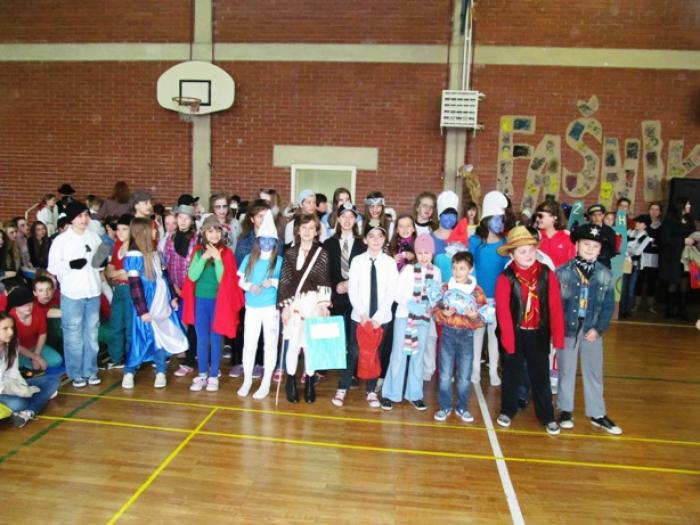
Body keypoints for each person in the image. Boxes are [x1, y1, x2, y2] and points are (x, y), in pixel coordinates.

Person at [494, 226, 565, 435]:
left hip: (538, 333)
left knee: (541, 376)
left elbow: (555, 307)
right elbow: (503, 312)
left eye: (531, 250)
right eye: (522, 251)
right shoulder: (505, 277)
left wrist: (557, 337)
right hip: (514, 333)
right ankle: (507, 410)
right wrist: (508, 340)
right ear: (512, 254)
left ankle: (547, 416)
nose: (528, 255)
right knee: (511, 374)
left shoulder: (547, 274)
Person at [556, 223, 622, 435]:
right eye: (586, 244)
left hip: (591, 328)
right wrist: (557, 329)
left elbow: (608, 306)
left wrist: (598, 328)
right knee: (566, 370)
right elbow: (556, 305)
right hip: (568, 328)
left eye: (595, 246)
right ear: (577, 245)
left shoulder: (605, 274)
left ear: (600, 250)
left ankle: (597, 413)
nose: (590, 249)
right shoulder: (562, 272)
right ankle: (565, 410)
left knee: (593, 371)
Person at [332, 223, 397, 408]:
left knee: (375, 353)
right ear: (365, 239)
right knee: (353, 352)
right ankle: (342, 387)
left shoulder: (390, 263)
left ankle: (371, 391)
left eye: (380, 236)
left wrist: (378, 317)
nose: (376, 240)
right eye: (371, 236)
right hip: (359, 317)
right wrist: (362, 313)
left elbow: (391, 292)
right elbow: (353, 289)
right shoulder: (358, 261)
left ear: (385, 240)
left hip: (381, 319)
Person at [121, 218, 189, 389]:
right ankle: (129, 371)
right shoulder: (135, 256)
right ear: (143, 232)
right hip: (147, 306)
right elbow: (135, 286)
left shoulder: (157, 254)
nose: (156, 231)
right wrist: (142, 310)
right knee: (140, 338)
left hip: (162, 304)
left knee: (160, 337)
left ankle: (160, 371)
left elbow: (165, 277)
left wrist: (172, 297)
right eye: (152, 229)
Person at [182, 216, 244, 392]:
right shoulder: (197, 252)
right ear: (203, 233)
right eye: (210, 231)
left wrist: (217, 259)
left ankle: (214, 375)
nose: (214, 234)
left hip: (218, 303)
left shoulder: (227, 253)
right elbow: (192, 276)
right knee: (202, 340)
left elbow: (223, 279)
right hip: (200, 302)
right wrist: (204, 258)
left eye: (217, 231)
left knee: (216, 340)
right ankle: (202, 374)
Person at [382, 234, 441, 412]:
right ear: (415, 253)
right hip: (404, 316)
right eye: (420, 253)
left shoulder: (436, 272)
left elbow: (436, 294)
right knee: (398, 355)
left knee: (418, 355)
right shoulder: (408, 270)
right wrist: (410, 304)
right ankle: (390, 394)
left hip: (423, 318)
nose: (423, 257)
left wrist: (432, 303)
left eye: (427, 253)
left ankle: (415, 394)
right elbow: (396, 293)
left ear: (432, 253)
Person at [47, 200, 103, 388]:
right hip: (72, 294)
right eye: (80, 216)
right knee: (73, 336)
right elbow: (52, 267)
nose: (84, 219)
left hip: (93, 292)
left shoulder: (94, 237)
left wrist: (101, 261)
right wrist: (70, 265)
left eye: (86, 215)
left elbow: (100, 261)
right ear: (71, 219)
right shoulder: (61, 240)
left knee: (92, 335)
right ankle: (76, 373)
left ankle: (90, 370)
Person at [278, 214, 331, 403]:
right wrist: (285, 306)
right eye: (303, 228)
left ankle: (309, 381)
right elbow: (285, 282)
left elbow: (324, 281)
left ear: (316, 231)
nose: (307, 232)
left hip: (314, 304)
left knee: (310, 347)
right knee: (293, 345)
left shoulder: (322, 253)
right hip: (295, 304)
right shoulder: (290, 254)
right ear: (298, 230)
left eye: (311, 228)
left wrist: (324, 305)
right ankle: (290, 381)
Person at [432, 251, 486, 422]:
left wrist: (474, 317)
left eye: (462, 268)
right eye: (454, 268)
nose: (457, 272)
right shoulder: (445, 288)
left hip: (466, 336)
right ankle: (445, 406)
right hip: (448, 334)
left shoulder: (477, 292)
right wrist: (444, 314)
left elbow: (483, 319)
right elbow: (435, 312)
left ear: (470, 269)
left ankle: (462, 407)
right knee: (445, 375)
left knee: (464, 376)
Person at [236, 210, 282, 399]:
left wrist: (273, 282)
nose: (267, 244)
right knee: (249, 343)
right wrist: (250, 286)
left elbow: (285, 282)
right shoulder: (249, 259)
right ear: (258, 241)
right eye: (263, 240)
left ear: (275, 242)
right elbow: (240, 280)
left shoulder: (279, 261)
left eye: (270, 240)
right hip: (252, 308)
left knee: (270, 344)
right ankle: (247, 379)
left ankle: (266, 382)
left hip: (270, 309)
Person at [469, 191, 509, 386]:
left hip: (497, 297)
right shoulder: (475, 241)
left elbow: (507, 270)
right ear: (486, 219)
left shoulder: (505, 243)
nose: (500, 223)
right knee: (477, 333)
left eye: (502, 219)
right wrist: (475, 294)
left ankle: (493, 369)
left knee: (494, 334)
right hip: (479, 297)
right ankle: (475, 368)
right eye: (496, 218)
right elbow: (470, 267)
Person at [323, 201, 366, 382]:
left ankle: (351, 371)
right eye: (344, 217)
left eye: (351, 217)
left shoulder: (362, 244)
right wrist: (334, 288)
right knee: (333, 333)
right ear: (338, 219)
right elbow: (324, 272)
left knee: (353, 335)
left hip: (356, 297)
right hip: (335, 296)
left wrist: (350, 283)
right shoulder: (328, 244)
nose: (347, 220)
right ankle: (327, 366)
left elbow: (365, 271)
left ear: (355, 220)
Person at [0, 312, 60, 428]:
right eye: (5, 329)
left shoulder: (12, 344)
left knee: (53, 381)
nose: (11, 332)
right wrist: (15, 391)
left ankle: (28, 412)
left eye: (12, 328)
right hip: (2, 390)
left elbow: (13, 372)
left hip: (11, 383)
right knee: (19, 403)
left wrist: (22, 387)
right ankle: (34, 404)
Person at [162, 204, 198, 377]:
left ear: (192, 221)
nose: (183, 221)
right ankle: (186, 353)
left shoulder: (197, 239)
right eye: (180, 217)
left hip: (194, 288)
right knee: (183, 322)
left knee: (194, 324)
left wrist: (189, 288)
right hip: (178, 288)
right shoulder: (171, 239)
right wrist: (175, 288)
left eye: (187, 218)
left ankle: (191, 359)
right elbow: (168, 264)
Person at [7, 287, 63, 371]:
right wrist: (36, 358)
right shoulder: (10, 319)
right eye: (23, 305)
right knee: (18, 367)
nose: (28, 307)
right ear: (15, 307)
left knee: (57, 361)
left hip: (35, 346)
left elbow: (42, 334)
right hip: (17, 350)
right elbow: (15, 344)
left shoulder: (37, 311)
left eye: (30, 303)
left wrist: (37, 354)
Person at [104, 214, 134, 369]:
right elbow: (108, 271)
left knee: (130, 326)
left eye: (124, 229)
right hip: (118, 289)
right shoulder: (116, 245)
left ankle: (132, 358)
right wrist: (120, 273)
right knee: (115, 324)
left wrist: (117, 273)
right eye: (118, 229)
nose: (120, 232)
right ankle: (116, 357)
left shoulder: (136, 247)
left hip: (131, 290)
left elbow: (132, 274)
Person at [659, 199, 696, 321]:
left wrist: (694, 241)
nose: (689, 206)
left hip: (687, 257)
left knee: (685, 284)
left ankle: (682, 310)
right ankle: (670, 309)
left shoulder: (690, 220)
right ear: (681, 206)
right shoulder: (669, 221)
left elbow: (694, 236)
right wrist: (683, 241)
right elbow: (665, 240)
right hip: (673, 257)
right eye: (687, 204)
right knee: (673, 282)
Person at [619, 215, 653, 319]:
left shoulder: (646, 237)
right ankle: (621, 310)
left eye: (640, 222)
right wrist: (629, 250)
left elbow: (637, 252)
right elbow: (622, 246)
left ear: (645, 225)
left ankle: (627, 310)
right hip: (625, 262)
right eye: (637, 222)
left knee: (631, 289)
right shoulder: (629, 232)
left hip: (635, 264)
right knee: (623, 288)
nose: (637, 224)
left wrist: (628, 250)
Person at [638, 202, 663, 313]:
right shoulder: (644, 223)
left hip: (655, 256)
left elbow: (662, 240)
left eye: (656, 209)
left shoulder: (662, 225)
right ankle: (636, 304)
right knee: (640, 279)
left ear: (660, 212)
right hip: (642, 255)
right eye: (652, 209)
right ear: (649, 211)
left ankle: (650, 305)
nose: (654, 212)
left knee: (652, 281)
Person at [535, 200, 575, 268]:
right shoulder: (535, 236)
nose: (537, 219)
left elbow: (572, 265)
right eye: (536, 216)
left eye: (540, 216)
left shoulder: (568, 238)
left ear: (554, 217)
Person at [586, 204, 617, 268]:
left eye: (599, 215)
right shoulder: (583, 229)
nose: (597, 218)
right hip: (586, 263)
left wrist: (600, 255)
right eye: (594, 215)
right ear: (590, 216)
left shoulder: (610, 231)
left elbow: (613, 250)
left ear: (603, 215)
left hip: (603, 264)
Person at [432, 191, 460, 257]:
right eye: (447, 214)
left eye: (453, 215)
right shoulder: (429, 239)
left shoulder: (460, 238)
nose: (450, 218)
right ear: (439, 216)